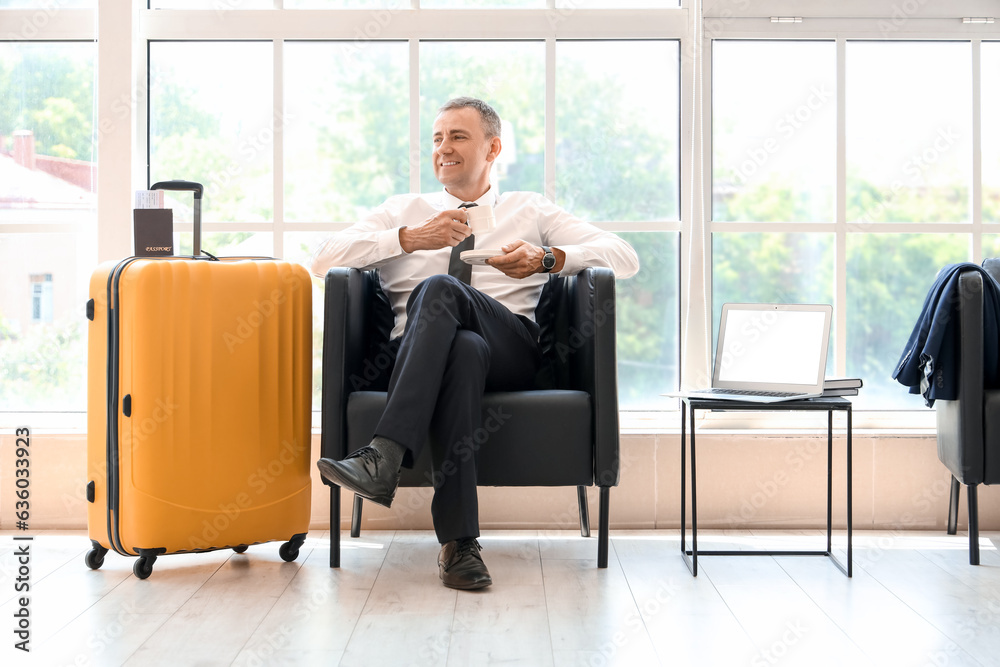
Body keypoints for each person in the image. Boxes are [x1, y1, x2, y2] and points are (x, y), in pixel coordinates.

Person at [311, 97, 639, 590]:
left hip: (512, 349)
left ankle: (384, 454)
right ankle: (460, 545)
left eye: (458, 137)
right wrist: (406, 239)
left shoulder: (528, 208)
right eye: (438, 138)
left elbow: (623, 255)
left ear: (493, 147)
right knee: (461, 350)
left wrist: (546, 259)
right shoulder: (403, 211)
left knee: (442, 289)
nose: (444, 148)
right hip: (415, 356)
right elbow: (322, 259)